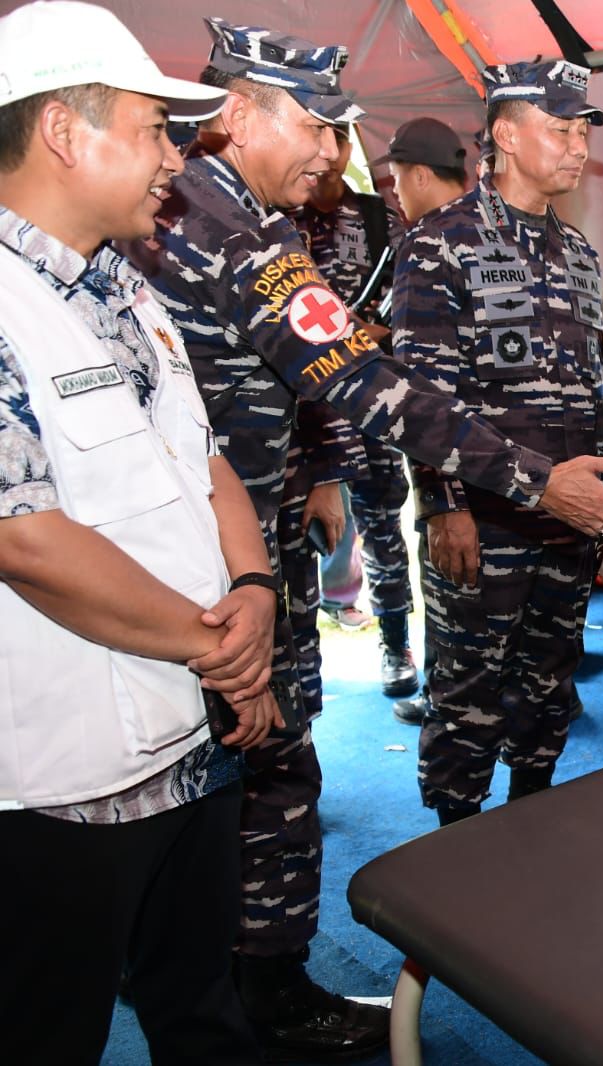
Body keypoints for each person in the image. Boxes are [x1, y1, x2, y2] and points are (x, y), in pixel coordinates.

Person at [128, 21, 603, 1061]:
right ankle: (247, 990)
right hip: (198, 561)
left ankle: (242, 984)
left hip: (244, 545)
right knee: (239, 773)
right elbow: (373, 383)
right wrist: (526, 482)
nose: (336, 153)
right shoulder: (230, 233)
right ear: (240, 113)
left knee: (253, 765)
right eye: (318, 126)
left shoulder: (236, 222)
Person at [0, 3, 276, 1060]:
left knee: (202, 1011)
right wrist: (220, 649)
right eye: (154, 129)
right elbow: (24, 538)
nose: (174, 157)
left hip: (188, 746)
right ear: (63, 132)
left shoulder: (130, 288)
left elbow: (204, 462)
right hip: (61, 786)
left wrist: (252, 594)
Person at [391, 60, 603, 823]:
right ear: (506, 135)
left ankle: (530, 824)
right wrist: (442, 506)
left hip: (567, 519)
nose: (578, 146)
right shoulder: (439, 243)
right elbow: (421, 395)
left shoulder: (578, 251)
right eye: (561, 129)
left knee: (548, 682)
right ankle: (452, 847)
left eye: (583, 131)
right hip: (483, 520)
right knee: (468, 691)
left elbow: (592, 383)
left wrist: (601, 503)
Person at [291, 123, 419, 700]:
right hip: (301, 407)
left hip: (367, 397)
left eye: (338, 141)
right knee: (299, 533)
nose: (327, 155)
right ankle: (300, 664)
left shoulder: (376, 218)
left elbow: (409, 301)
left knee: (382, 524)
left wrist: (377, 334)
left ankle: (395, 644)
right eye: (315, 136)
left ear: (347, 148)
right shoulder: (277, 217)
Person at [372, 115, 469, 725]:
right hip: (528, 478)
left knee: (459, 618)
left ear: (419, 176)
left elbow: (423, 390)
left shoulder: (426, 242)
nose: (395, 193)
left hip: (460, 474)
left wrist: (437, 501)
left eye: (396, 179)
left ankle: (446, 704)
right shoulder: (509, 231)